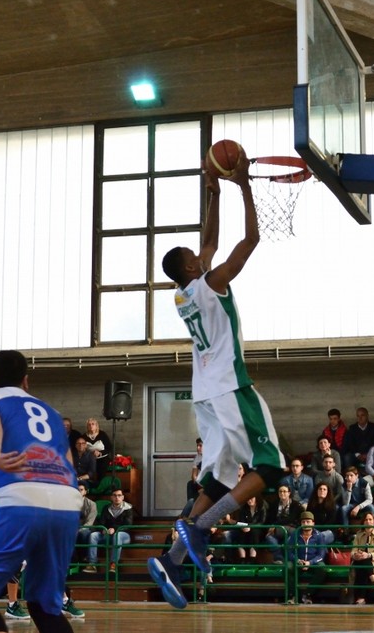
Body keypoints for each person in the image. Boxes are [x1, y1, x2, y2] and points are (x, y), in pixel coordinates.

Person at [149, 158, 286, 610]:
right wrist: (244, 186)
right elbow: (250, 241)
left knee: (220, 475)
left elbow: (208, 241)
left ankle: (171, 560)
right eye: (193, 256)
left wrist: (214, 192)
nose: (200, 253)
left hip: (204, 394)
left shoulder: (182, 294)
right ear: (191, 267)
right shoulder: (211, 283)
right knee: (270, 467)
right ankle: (200, 527)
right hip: (230, 386)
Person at [0, 350, 83, 633]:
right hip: (66, 501)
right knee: (44, 605)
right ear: (26, 381)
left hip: (20, 498)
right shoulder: (51, 412)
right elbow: (68, 463)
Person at [88, 489, 134, 572]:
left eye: (119, 495)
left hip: (124, 536)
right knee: (93, 535)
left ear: (123, 497)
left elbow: (128, 525)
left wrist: (115, 529)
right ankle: (92, 564)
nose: (117, 497)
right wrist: (103, 530)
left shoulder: (128, 508)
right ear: (111, 497)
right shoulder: (106, 508)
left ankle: (113, 564)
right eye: (114, 495)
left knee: (117, 535)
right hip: (108, 534)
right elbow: (101, 523)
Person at [287, 511, 328, 604]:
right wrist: (297, 560)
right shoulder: (295, 534)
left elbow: (321, 554)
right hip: (298, 561)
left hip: (313, 562)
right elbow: (289, 552)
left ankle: (308, 594)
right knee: (287, 567)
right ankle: (294, 595)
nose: (305, 524)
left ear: (313, 523)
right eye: (303, 522)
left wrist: (310, 562)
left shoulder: (319, 535)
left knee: (322, 569)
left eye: (308, 521)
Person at [349, 512, 374, 605]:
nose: (368, 522)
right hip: (361, 560)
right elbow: (353, 550)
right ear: (363, 522)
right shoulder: (358, 534)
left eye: (370, 519)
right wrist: (355, 555)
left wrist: (369, 555)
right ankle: (372, 578)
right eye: (366, 520)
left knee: (363, 563)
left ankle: (361, 598)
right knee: (361, 562)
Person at [264, 485, 303, 563]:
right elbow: (270, 519)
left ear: (289, 493)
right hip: (276, 530)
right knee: (269, 538)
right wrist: (271, 526)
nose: (282, 493)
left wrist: (275, 525)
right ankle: (279, 558)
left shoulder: (296, 505)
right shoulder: (274, 505)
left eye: (284, 491)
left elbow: (291, 519)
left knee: (290, 538)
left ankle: (290, 559)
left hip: (291, 529)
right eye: (280, 491)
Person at [343, 407, 374, 471]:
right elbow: (350, 444)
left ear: (367, 416)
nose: (360, 418)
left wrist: (368, 454)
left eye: (362, 415)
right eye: (358, 416)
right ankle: (349, 475)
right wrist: (358, 454)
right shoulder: (352, 428)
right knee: (347, 457)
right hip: (356, 454)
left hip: (370, 453)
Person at [234, 495, 268, 562]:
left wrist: (250, 527)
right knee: (241, 533)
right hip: (246, 529)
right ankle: (242, 559)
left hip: (258, 530)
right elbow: (241, 521)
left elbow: (262, 522)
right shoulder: (243, 508)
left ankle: (252, 558)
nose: (249, 501)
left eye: (251, 498)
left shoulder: (262, 508)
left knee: (254, 532)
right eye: (248, 499)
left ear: (256, 498)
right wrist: (243, 527)